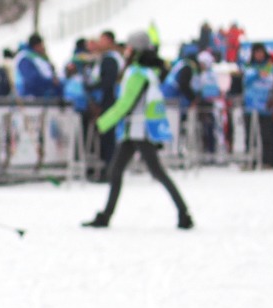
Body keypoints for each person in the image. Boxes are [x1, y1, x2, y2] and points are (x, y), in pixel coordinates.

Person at [82, 30, 192, 231]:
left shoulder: (137, 74)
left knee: (154, 172)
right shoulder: (145, 72)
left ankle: (184, 213)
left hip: (138, 130)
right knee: (117, 172)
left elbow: (125, 104)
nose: (125, 50)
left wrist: (102, 123)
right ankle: (106, 216)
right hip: (134, 130)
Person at [87, 30, 122, 175]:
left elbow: (107, 82)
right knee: (106, 138)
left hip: (108, 102)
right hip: (107, 101)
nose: (99, 43)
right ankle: (108, 169)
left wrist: (91, 88)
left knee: (108, 138)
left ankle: (109, 170)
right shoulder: (105, 58)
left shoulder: (110, 59)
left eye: (102, 40)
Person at [240, 43, 273, 168]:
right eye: (256, 52)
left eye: (261, 52)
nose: (259, 55)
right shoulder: (248, 67)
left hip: (265, 106)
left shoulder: (271, 67)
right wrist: (257, 74)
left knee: (267, 135)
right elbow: (245, 81)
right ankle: (250, 161)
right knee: (250, 136)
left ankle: (267, 162)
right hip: (250, 105)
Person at [13, 33, 61, 98]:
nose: (43, 48)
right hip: (31, 98)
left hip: (42, 96)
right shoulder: (25, 58)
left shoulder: (37, 56)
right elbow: (32, 80)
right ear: (36, 46)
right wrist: (51, 82)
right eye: (41, 45)